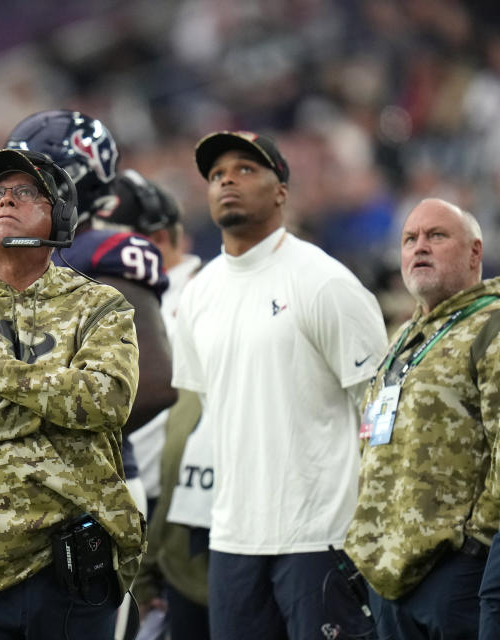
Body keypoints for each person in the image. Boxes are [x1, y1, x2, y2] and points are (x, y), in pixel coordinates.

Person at [0, 148, 145, 639]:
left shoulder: (102, 306)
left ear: (58, 212)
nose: (4, 201)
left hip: (74, 565)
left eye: (24, 192)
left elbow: (106, 401)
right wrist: (58, 397)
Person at [171, 130, 388, 639]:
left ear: (281, 191)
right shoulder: (199, 295)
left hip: (320, 536)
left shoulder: (323, 282)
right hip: (233, 537)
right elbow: (214, 409)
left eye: (246, 169)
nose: (228, 180)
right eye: (218, 173)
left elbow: (379, 407)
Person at [345, 198, 500, 639]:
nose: (420, 247)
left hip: (453, 571)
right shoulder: (404, 337)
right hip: (387, 574)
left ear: (475, 252)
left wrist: (475, 544)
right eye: (410, 239)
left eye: (437, 235)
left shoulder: (492, 325)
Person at [93, 169, 208, 639]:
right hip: (133, 487)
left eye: (109, 240)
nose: (96, 253)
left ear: (156, 238)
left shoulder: (203, 293)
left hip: (178, 495)